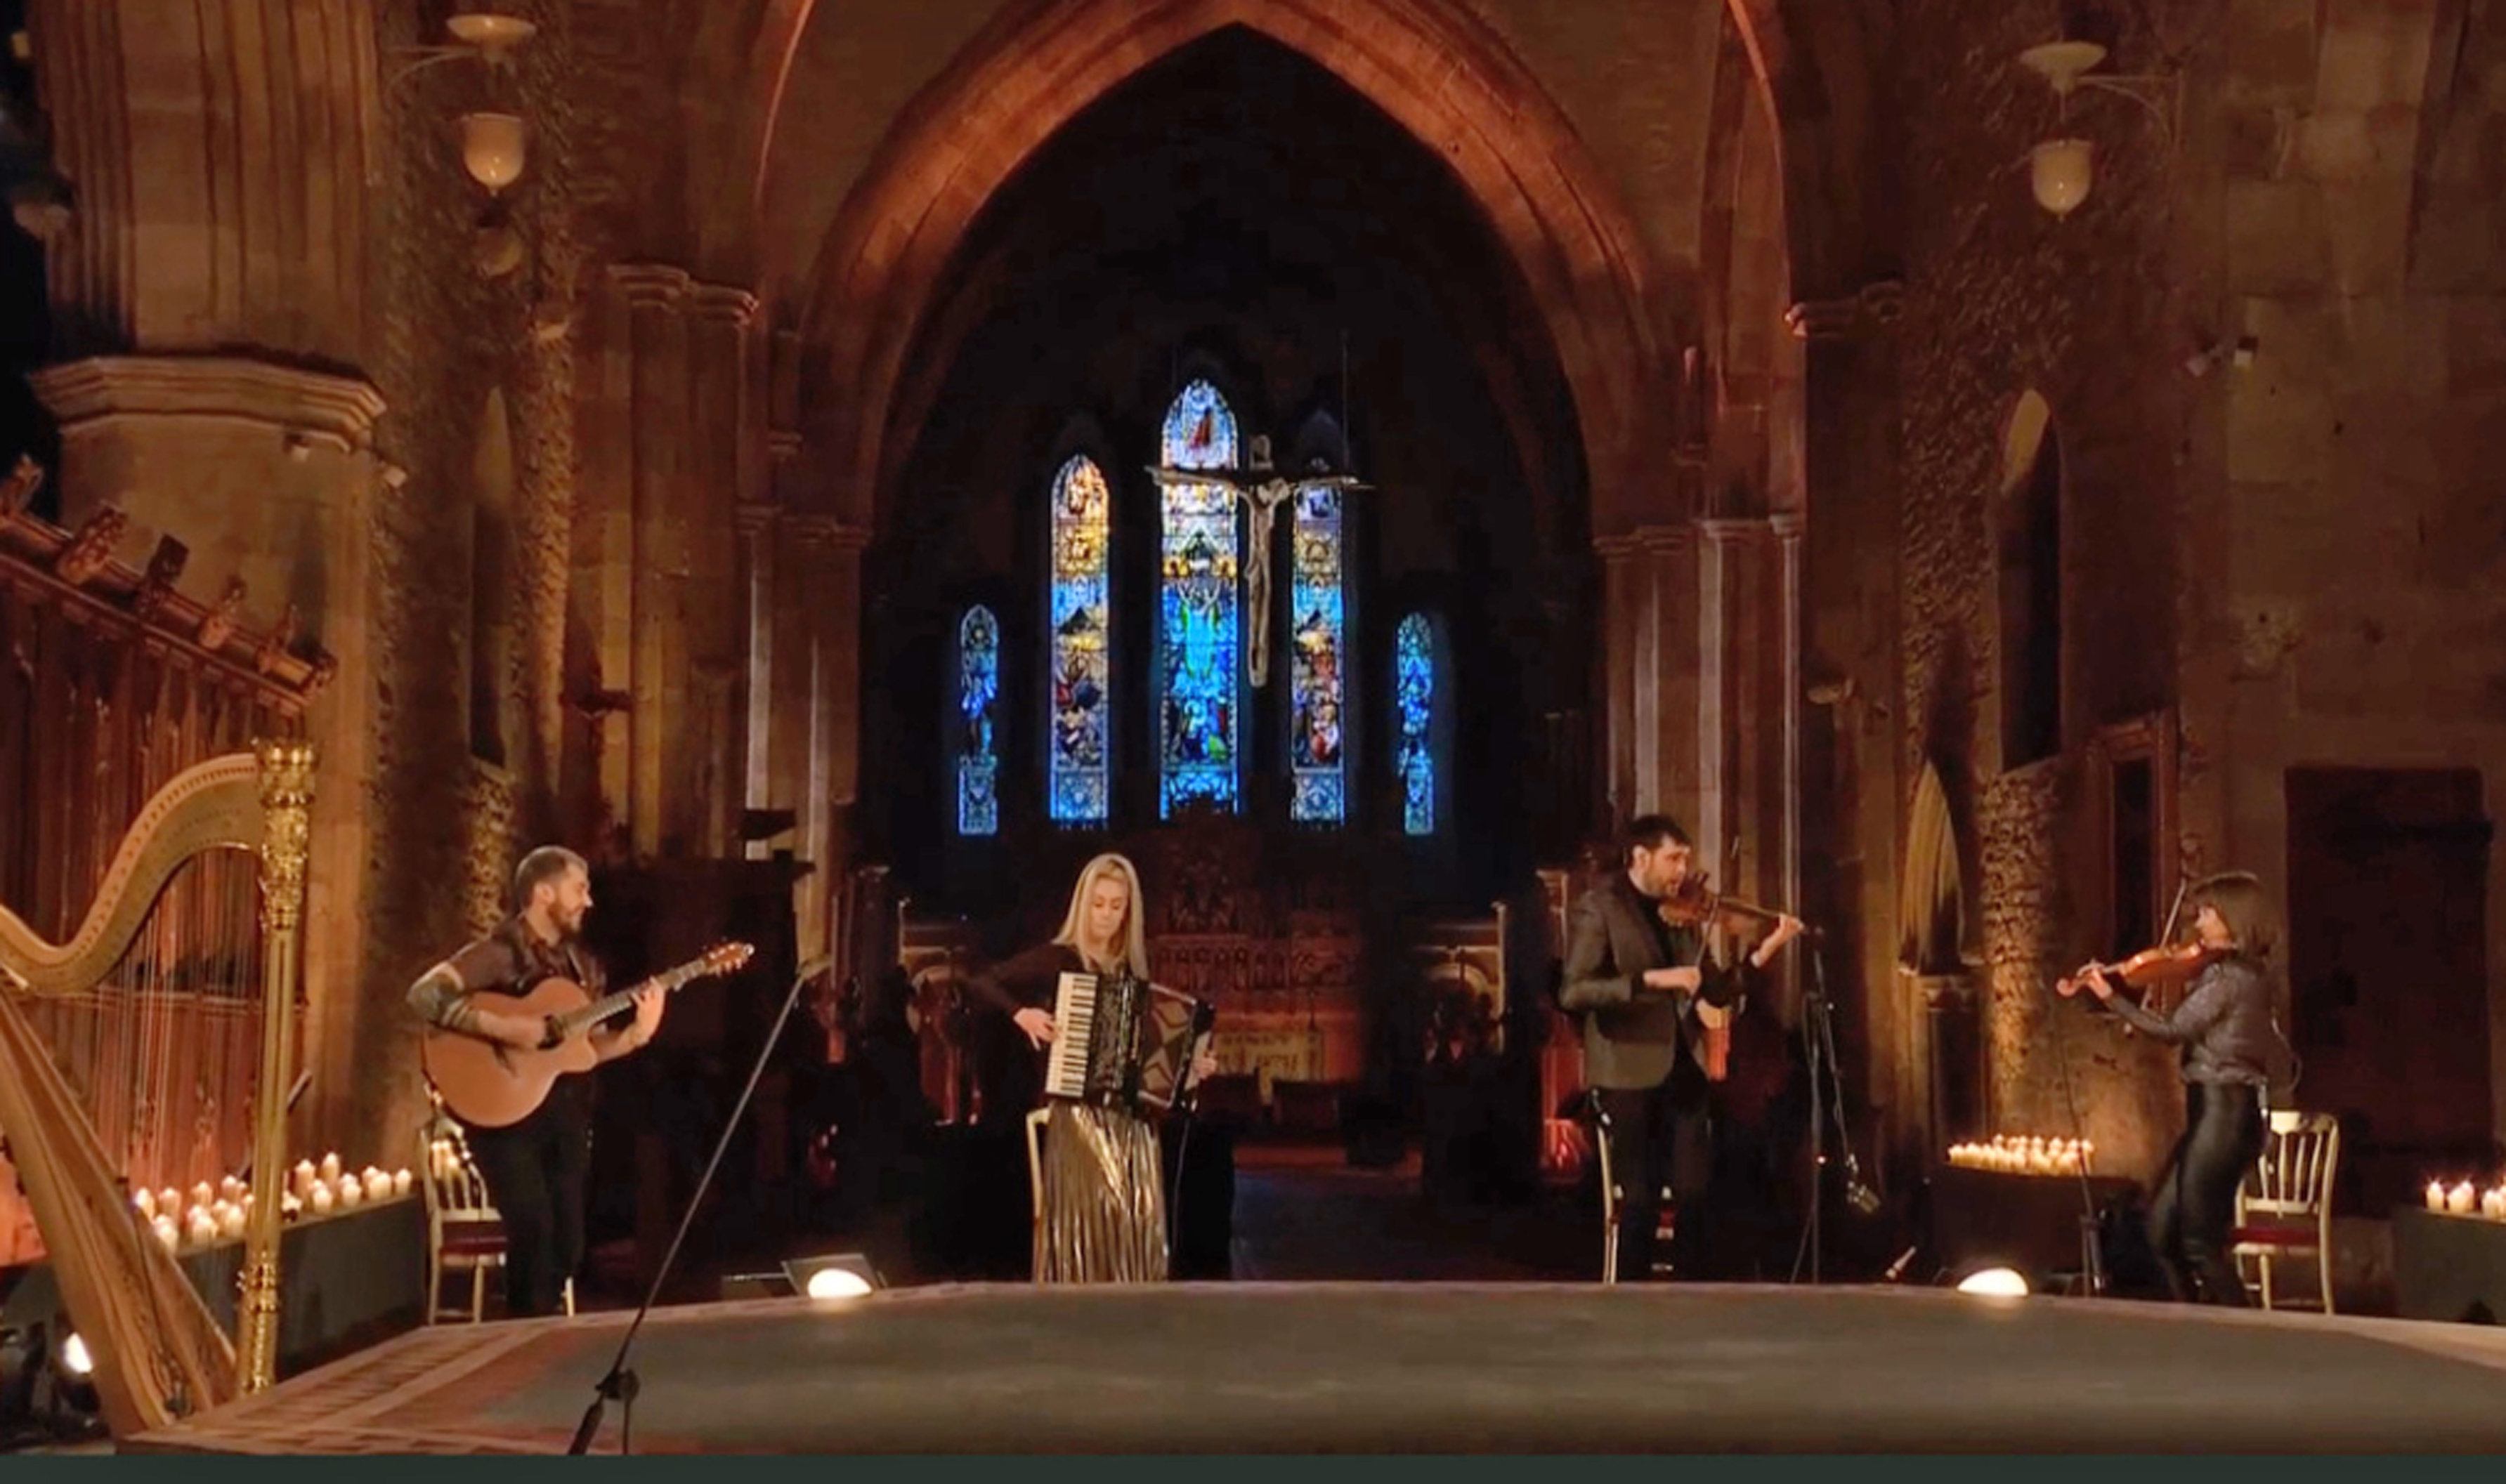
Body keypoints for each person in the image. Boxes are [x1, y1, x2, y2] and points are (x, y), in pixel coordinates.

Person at [405, 846, 665, 1316]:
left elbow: (581, 1051)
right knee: (534, 1228)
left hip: (561, 1115)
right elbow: (425, 994)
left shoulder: (583, 968)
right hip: (502, 1113)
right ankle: (525, 1344)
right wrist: (507, 1029)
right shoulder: (499, 953)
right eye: (579, 889)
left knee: (568, 1242)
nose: (589, 900)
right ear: (543, 893)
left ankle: (529, 1334)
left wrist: (634, 1036)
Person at [1561, 815, 1803, 1280]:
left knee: (1697, 1192)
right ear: (1640, 856)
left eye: (1686, 859)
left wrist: (1765, 949)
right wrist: (1652, 980)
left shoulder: (1682, 914)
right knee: (1640, 1199)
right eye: (1674, 858)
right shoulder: (1600, 907)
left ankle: (1690, 1299)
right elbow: (1575, 991)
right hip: (1625, 1072)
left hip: (1681, 1065)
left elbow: (1714, 990)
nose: (1682, 870)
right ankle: (1631, 1305)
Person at [959, 853, 1215, 1283]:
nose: (1106, 915)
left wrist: (1190, 1069)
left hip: (1130, 1122)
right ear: (1084, 904)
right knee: (1096, 1208)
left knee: (1136, 1213)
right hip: (1077, 1115)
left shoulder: (1132, 971)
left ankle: (1133, 1302)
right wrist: (1021, 1013)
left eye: (1117, 906)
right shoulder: (1060, 959)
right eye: (1099, 904)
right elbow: (980, 982)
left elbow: (1147, 1065)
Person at [2072, 870, 2286, 1306]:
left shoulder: (2229, 979)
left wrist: (2110, 996)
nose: (2199, 922)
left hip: (2225, 1114)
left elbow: (2172, 1029)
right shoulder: (2232, 973)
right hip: (2213, 1113)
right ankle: (2191, 1326)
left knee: (2198, 1243)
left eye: (2208, 913)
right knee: (2159, 1232)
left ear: (2234, 918)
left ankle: (2253, 1337)